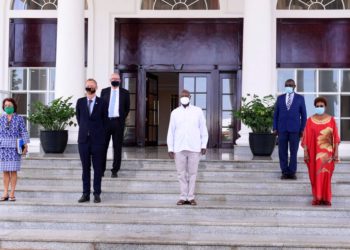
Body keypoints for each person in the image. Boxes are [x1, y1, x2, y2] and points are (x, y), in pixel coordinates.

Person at [167, 89, 208, 206]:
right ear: (180, 98)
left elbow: (203, 129)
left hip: (194, 147)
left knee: (192, 173)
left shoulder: (198, 111)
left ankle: (190, 197)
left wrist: (203, 145)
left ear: (190, 97)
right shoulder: (174, 112)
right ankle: (182, 196)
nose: (184, 97)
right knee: (181, 174)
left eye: (186, 95)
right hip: (179, 148)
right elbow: (171, 131)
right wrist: (170, 148)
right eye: (182, 95)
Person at [302, 97, 340, 206]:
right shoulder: (310, 120)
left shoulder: (331, 120)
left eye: (321, 106)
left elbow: (335, 137)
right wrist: (305, 152)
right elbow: (305, 138)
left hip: (327, 154)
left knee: (326, 175)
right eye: (317, 106)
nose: (319, 108)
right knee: (315, 175)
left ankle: (326, 198)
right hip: (314, 154)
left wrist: (336, 152)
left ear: (325, 107)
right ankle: (317, 198)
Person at [76, 79, 108, 203]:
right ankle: (85, 194)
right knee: (85, 168)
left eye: (92, 86)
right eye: (88, 86)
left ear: (96, 87)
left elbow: (105, 121)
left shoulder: (102, 102)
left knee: (98, 168)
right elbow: (79, 118)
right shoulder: (80, 102)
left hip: (98, 141)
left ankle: (97, 193)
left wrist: (99, 133)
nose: (90, 88)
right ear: (85, 88)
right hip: (83, 140)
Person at [273, 79, 307, 180]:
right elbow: (276, 115)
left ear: (294, 86)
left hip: (295, 130)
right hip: (282, 129)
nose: (288, 86)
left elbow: (304, 115)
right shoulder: (280, 98)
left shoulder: (300, 98)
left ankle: (292, 172)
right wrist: (275, 127)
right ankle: (284, 172)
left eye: (290, 85)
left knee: (293, 152)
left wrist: (302, 129)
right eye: (287, 85)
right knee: (282, 151)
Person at [101, 73, 130, 178]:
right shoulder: (104, 91)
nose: (115, 80)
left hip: (118, 123)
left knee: (117, 147)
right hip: (106, 123)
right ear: (110, 80)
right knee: (103, 147)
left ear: (120, 80)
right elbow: (101, 107)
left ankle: (115, 170)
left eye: (117, 79)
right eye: (113, 78)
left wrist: (120, 118)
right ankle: (101, 170)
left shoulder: (125, 93)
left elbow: (127, 108)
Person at [0, 98, 29, 202]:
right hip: (3, 148)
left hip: (15, 147)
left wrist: (25, 144)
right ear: (3, 107)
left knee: (13, 171)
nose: (8, 107)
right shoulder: (1, 119)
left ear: (14, 106)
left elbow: (24, 132)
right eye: (6, 105)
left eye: (10, 105)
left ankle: (12, 192)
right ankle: (5, 192)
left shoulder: (19, 119)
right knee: (5, 171)